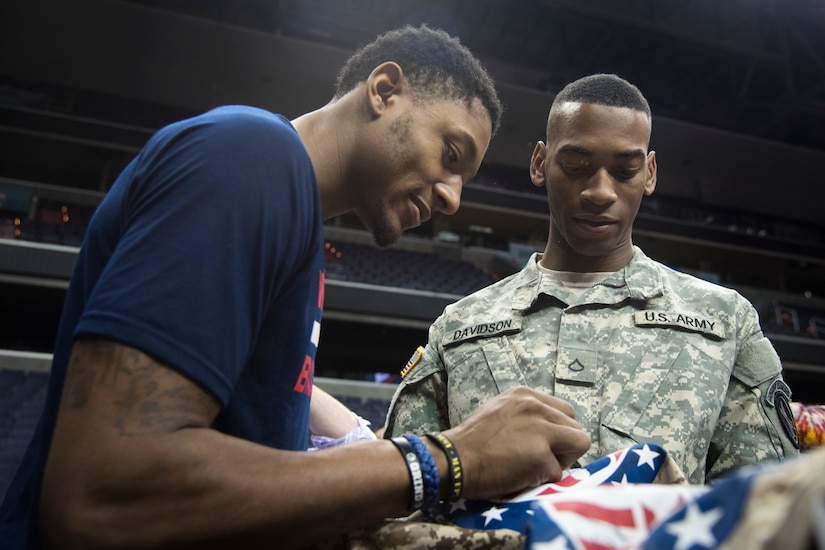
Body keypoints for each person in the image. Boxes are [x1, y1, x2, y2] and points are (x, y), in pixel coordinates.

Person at [0, 25, 592, 549]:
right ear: (384, 91)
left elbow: (269, 390)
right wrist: (445, 459)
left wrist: (366, 439)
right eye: (451, 153)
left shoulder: (293, 219)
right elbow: (103, 492)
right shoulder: (249, 156)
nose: (452, 197)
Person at [384, 73, 800, 485]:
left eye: (625, 171)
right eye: (576, 166)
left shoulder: (725, 321)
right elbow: (403, 498)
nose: (600, 192)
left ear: (650, 174)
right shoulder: (459, 328)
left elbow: (765, 510)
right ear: (540, 163)